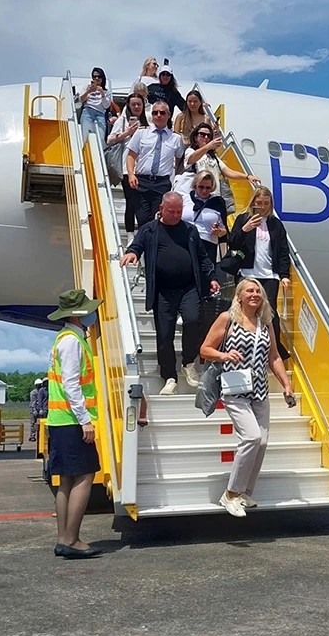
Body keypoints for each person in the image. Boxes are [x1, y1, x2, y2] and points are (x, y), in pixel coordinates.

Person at [200, 277, 295, 517]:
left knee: (261, 442)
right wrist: (224, 356)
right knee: (251, 437)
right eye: (249, 291)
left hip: (260, 389)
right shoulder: (228, 319)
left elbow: (274, 356)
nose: (254, 294)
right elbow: (205, 349)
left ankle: (244, 492)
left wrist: (286, 384)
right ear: (239, 296)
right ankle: (230, 494)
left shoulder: (265, 323)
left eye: (258, 291)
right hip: (235, 388)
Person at [121, 192, 220, 394]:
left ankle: (188, 362)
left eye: (178, 212)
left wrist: (211, 277)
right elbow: (137, 245)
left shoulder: (190, 230)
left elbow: (202, 257)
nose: (175, 215)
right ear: (161, 209)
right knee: (165, 334)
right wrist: (132, 253)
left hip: (188, 287)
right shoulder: (150, 230)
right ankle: (169, 377)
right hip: (163, 291)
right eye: (171, 211)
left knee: (193, 320)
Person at [45, 289, 105, 559]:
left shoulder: (64, 338)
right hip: (72, 421)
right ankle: (72, 540)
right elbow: (72, 385)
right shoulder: (72, 342)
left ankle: (63, 539)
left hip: (60, 421)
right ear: (78, 314)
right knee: (84, 476)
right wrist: (85, 421)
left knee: (66, 480)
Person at [227, 186, 291, 360]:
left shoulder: (276, 224)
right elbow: (232, 243)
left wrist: (284, 275)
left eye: (266, 203)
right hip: (247, 272)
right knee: (242, 309)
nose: (262, 207)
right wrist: (245, 229)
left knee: (270, 313)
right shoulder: (243, 219)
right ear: (253, 203)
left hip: (269, 275)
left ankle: (274, 351)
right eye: (259, 203)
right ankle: (238, 345)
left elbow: (283, 251)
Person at [125, 101, 183, 227]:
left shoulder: (176, 138)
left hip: (161, 183)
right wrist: (131, 174)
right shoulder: (141, 133)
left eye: (162, 113)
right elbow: (131, 155)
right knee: (142, 218)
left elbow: (179, 162)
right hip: (142, 181)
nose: (158, 115)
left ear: (169, 115)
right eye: (155, 113)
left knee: (156, 219)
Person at [181, 122, 259, 212]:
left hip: (213, 196)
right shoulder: (190, 151)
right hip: (197, 197)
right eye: (202, 134)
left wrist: (247, 176)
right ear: (195, 137)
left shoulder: (213, 157)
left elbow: (228, 172)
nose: (206, 137)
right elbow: (191, 159)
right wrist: (207, 147)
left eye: (208, 136)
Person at [107, 93, 146, 234]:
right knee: (131, 202)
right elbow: (109, 140)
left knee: (143, 205)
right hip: (126, 167)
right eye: (133, 104)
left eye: (139, 104)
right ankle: (130, 233)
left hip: (143, 168)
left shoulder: (149, 122)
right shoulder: (122, 121)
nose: (136, 107)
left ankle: (142, 233)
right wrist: (127, 132)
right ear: (128, 106)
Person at [78, 67, 110, 151]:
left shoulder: (106, 91)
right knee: (87, 136)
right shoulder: (87, 87)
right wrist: (88, 91)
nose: (96, 78)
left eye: (99, 76)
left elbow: (106, 106)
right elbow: (81, 100)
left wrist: (102, 93)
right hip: (87, 112)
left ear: (102, 78)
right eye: (94, 76)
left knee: (100, 138)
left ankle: (98, 154)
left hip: (100, 114)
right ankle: (87, 153)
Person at [29, 377, 46, 442]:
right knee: (33, 423)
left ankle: (42, 435)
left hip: (41, 409)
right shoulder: (33, 392)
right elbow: (33, 402)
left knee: (41, 423)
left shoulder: (43, 391)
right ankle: (32, 436)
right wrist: (34, 410)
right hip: (34, 409)